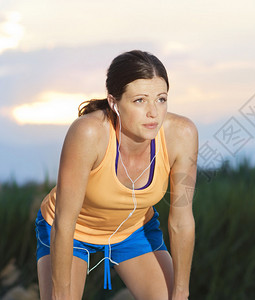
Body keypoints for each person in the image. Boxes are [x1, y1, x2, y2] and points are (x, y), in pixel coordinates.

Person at [35, 50, 197, 300]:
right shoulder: (89, 134)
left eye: (161, 99)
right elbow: (64, 222)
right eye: (140, 100)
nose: (154, 112)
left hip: (134, 231)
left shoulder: (182, 135)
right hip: (71, 231)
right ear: (114, 102)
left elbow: (181, 221)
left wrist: (181, 293)